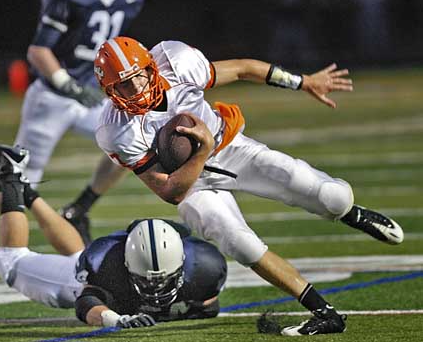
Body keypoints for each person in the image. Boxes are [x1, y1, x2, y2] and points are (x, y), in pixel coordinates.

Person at [92, 36, 404, 336]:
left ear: (151, 67)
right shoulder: (115, 130)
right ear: (109, 90)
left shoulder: (176, 61)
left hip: (231, 149)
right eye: (122, 84)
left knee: (334, 197)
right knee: (241, 244)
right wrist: (199, 153)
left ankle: (351, 214)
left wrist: (303, 82)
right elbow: (171, 192)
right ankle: (324, 313)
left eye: (139, 77)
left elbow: (243, 68)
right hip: (193, 184)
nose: (135, 88)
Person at [0, 0, 146, 280]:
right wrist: (69, 84)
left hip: (92, 93)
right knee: (17, 174)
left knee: (132, 143)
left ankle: (79, 209)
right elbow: (38, 51)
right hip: (53, 94)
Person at [0, 139, 227, 327]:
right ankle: (11, 178)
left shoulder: (205, 265)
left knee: (77, 254)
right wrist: (114, 318)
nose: (155, 287)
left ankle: (26, 190)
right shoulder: (106, 264)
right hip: (78, 282)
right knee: (9, 262)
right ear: (125, 263)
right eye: (147, 279)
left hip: (97, 267)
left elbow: (208, 306)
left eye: (162, 279)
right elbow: (85, 302)